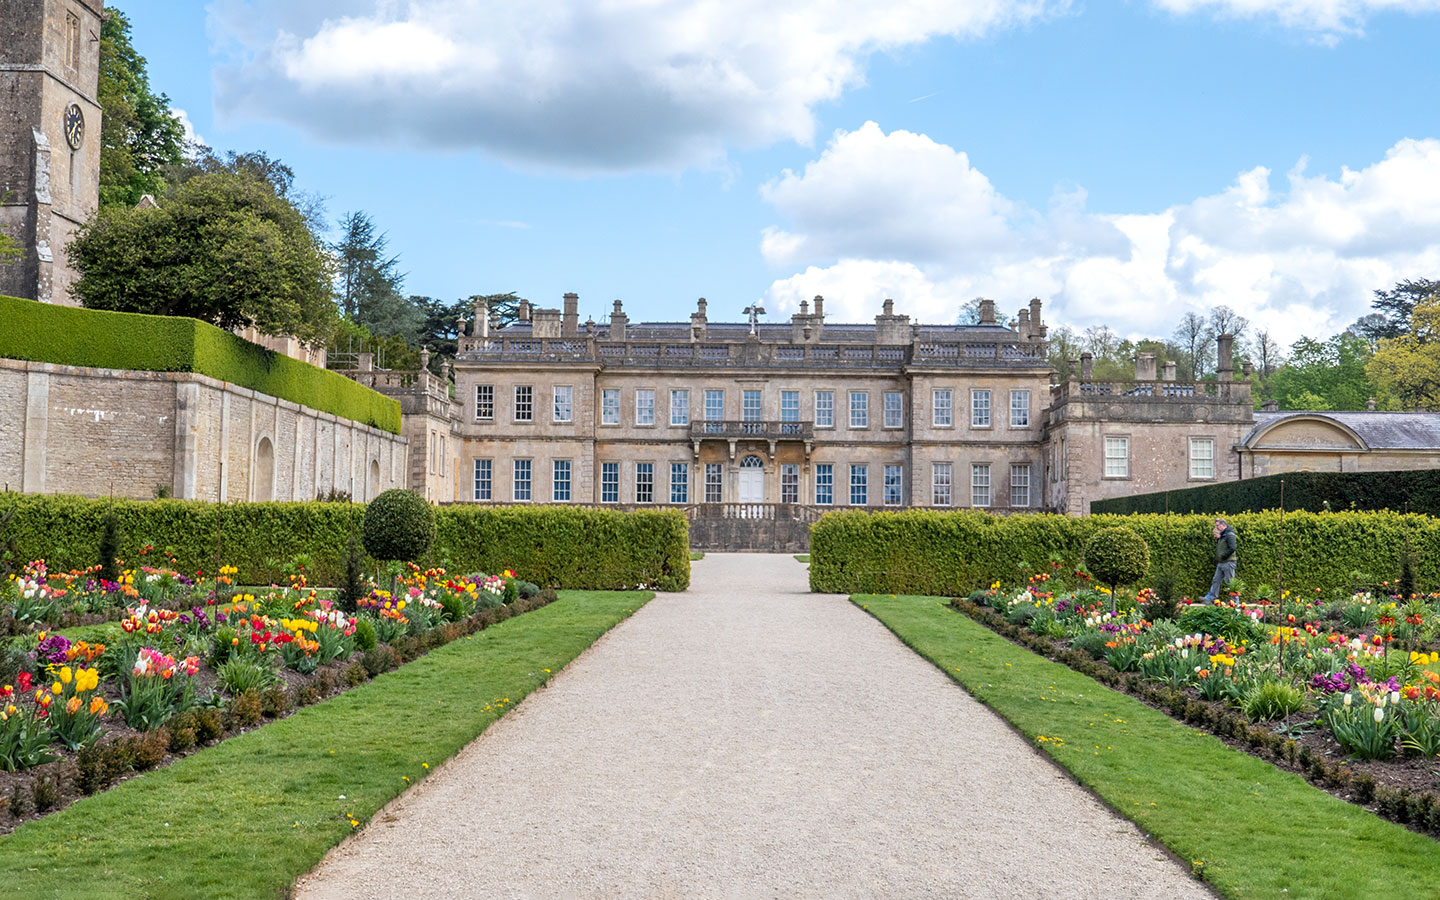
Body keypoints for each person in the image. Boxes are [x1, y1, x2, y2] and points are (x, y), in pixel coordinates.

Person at [1201, 518, 1237, 604]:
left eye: (1217, 526)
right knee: (1216, 580)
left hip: (1228, 562)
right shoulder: (1223, 535)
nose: (1216, 528)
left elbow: (1232, 548)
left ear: (1223, 525)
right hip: (1221, 562)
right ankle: (1212, 599)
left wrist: (1223, 556)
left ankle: (1234, 601)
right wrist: (1218, 538)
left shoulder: (1230, 534)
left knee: (1230, 582)